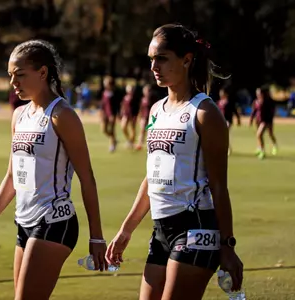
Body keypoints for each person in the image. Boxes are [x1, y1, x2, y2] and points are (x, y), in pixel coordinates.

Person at [105, 24, 244, 300]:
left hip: (196, 227)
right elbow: (152, 178)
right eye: (151, 59)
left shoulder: (205, 112)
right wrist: (126, 230)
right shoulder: (157, 110)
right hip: (161, 230)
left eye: (162, 58)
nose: (154, 66)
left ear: (187, 59)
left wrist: (227, 245)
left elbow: (219, 186)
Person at [0, 40, 108, 300]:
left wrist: (96, 237)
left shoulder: (62, 115)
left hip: (55, 221)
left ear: (42, 73)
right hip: (24, 222)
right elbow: (11, 178)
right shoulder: (19, 116)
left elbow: (87, 178)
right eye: (10, 76)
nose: (13, 83)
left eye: (20, 75)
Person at [249, 86, 278, 159]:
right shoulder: (256, 101)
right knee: (259, 135)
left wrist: (269, 120)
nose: (258, 94)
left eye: (259, 93)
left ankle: (270, 147)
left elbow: (272, 111)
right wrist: (251, 120)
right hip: (258, 121)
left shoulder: (268, 101)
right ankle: (260, 148)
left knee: (263, 134)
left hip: (266, 121)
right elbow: (254, 111)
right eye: (257, 93)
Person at [100, 76, 123, 152]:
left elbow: (117, 105)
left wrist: (118, 114)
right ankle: (114, 140)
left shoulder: (115, 93)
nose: (105, 84)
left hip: (112, 114)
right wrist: (101, 112)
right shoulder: (104, 92)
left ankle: (112, 145)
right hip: (105, 114)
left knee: (112, 130)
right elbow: (103, 103)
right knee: (103, 130)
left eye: (106, 83)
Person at [216, 87, 241, 155]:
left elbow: (235, 111)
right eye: (220, 93)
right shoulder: (219, 102)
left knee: (225, 134)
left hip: (228, 121)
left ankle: (228, 149)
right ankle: (226, 148)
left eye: (222, 93)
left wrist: (238, 119)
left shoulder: (229, 102)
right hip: (220, 121)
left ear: (226, 94)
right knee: (221, 136)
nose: (221, 94)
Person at [135, 84, 158, 151]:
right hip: (143, 118)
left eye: (148, 91)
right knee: (142, 130)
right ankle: (139, 143)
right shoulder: (143, 99)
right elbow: (141, 109)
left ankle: (151, 144)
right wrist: (139, 116)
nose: (146, 92)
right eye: (145, 91)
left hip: (151, 118)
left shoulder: (153, 99)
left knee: (150, 131)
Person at [120, 84, 140, 149]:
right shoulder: (125, 97)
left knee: (132, 129)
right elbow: (123, 105)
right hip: (126, 114)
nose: (130, 90)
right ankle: (129, 140)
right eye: (128, 89)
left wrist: (137, 115)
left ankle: (131, 142)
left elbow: (138, 107)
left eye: (131, 89)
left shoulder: (135, 97)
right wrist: (121, 112)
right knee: (123, 127)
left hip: (133, 115)